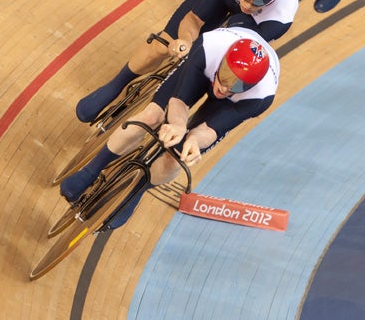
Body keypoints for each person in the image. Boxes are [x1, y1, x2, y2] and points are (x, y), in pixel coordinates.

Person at [59, 27, 280, 215]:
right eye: (225, 76)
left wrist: (194, 141)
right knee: (152, 116)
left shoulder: (260, 98)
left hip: (231, 104)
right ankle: (91, 170)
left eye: (237, 85)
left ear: (251, 87)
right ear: (222, 61)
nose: (224, 88)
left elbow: (212, 129)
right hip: (203, 70)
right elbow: (179, 101)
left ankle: (137, 190)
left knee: (179, 155)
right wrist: (178, 125)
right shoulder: (209, 47)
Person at [74, 0, 297, 123]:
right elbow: (193, 20)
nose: (247, 4)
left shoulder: (280, 17)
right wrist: (185, 43)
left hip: (251, 25)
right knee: (164, 43)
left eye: (257, 0)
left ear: (273, 0)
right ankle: (117, 84)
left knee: (218, 74)